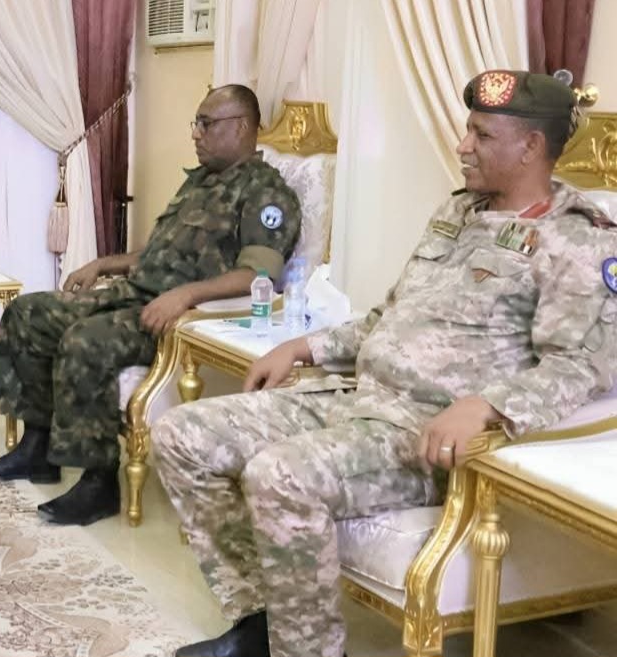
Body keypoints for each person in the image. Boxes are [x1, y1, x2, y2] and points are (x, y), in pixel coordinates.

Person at [152, 70, 617, 657]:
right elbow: (387, 317)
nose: (463, 145)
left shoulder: (577, 240)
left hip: (423, 435)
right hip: (356, 399)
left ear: (530, 146)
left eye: (481, 134)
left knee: (280, 474)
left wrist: (487, 407)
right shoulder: (457, 213)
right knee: (179, 435)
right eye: (468, 130)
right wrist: (305, 347)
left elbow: (583, 365)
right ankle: (259, 623)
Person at [0, 85, 303, 526]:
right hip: (135, 293)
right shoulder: (200, 182)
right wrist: (105, 263)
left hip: (176, 316)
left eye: (206, 124)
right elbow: (161, 253)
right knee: (28, 313)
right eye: (196, 124)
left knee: (86, 340)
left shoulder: (265, 193)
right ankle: (38, 449)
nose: (196, 134)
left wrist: (185, 295)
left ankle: (98, 483)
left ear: (240, 127)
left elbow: (257, 276)